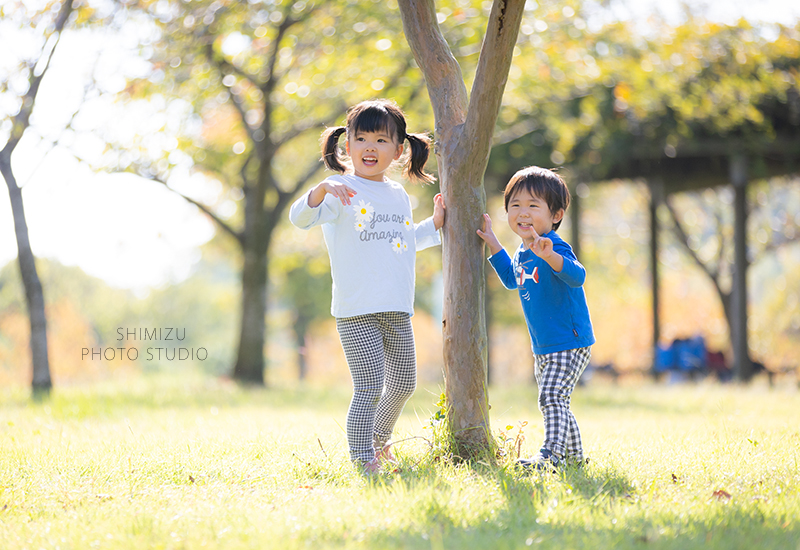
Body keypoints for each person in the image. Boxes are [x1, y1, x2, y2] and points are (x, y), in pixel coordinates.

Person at [289, 99, 445, 474]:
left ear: (399, 149)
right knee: (370, 385)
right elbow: (299, 218)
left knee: (404, 383)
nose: (370, 148)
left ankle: (379, 438)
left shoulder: (397, 195)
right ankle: (363, 457)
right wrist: (321, 190)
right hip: (357, 309)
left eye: (380, 140)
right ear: (347, 146)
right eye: (361, 139)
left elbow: (404, 240)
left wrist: (435, 223)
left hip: (396, 306)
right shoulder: (341, 189)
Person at [476, 166, 595, 470]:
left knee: (551, 398)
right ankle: (574, 458)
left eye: (532, 205)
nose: (522, 212)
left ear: (555, 215)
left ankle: (550, 455)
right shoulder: (522, 251)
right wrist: (493, 244)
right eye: (515, 205)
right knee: (557, 401)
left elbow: (577, 276)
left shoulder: (553, 245)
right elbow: (511, 279)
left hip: (569, 340)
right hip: (544, 345)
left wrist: (549, 256)